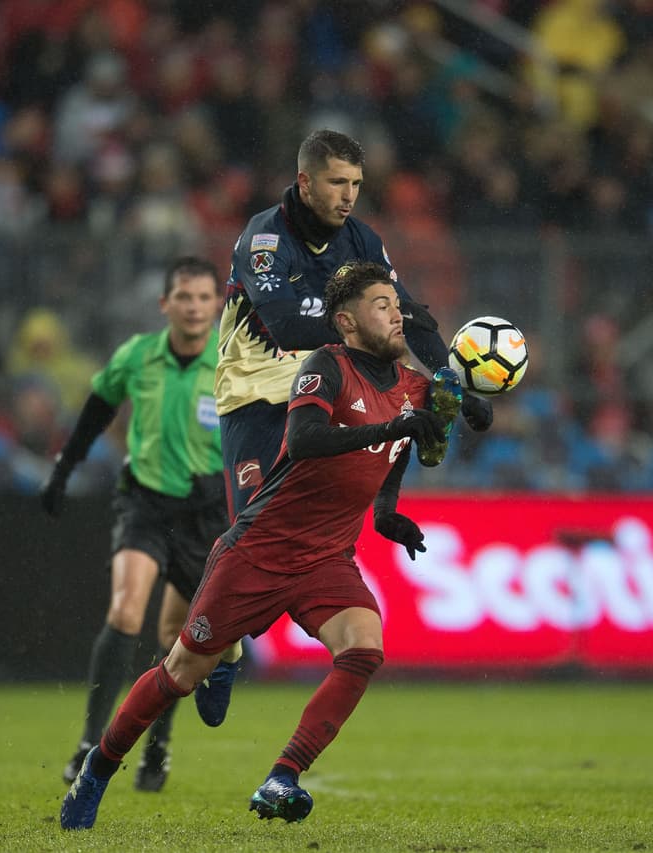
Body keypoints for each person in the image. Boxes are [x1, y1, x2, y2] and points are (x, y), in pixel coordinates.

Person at [60, 261, 477, 830]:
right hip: (260, 550)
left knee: (364, 648)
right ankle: (98, 769)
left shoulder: (412, 387)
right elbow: (305, 440)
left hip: (327, 559)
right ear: (347, 323)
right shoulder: (325, 366)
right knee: (178, 672)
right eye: (382, 305)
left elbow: (402, 449)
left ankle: (283, 775)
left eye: (396, 303)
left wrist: (387, 515)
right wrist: (395, 430)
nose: (397, 313)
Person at [207, 128, 492, 717]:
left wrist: (453, 386)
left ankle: (347, 569)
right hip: (256, 394)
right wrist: (361, 322)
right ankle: (223, 646)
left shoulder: (363, 239)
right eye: (337, 182)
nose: (348, 196)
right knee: (253, 534)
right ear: (306, 181)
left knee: (402, 413)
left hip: (330, 387)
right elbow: (285, 325)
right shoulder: (265, 237)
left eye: (357, 185)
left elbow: (407, 319)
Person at [41, 257, 240, 793]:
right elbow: (96, 411)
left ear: (217, 304)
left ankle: (157, 744)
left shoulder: (231, 362)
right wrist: (63, 471)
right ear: (165, 304)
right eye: (185, 297)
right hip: (145, 503)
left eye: (204, 297)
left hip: (205, 513)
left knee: (176, 637)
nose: (195, 307)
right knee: (125, 611)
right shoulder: (137, 356)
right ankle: (88, 744)